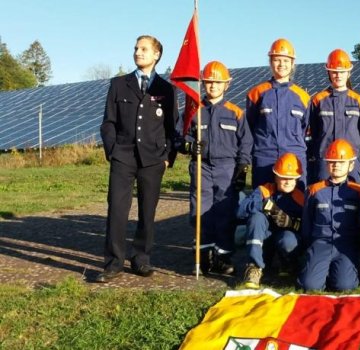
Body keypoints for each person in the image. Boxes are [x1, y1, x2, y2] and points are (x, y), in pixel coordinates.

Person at [97, 35, 179, 282]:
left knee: (147, 212)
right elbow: (108, 122)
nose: (138, 52)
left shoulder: (166, 89)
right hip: (123, 157)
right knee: (118, 210)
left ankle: (141, 259)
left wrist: (166, 158)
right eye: (136, 48)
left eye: (144, 49)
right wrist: (112, 150)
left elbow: (171, 127)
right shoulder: (119, 84)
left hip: (153, 160)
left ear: (156, 55)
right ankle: (113, 262)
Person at [181, 61, 252, 276]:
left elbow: (246, 143)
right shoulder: (195, 111)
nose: (213, 86)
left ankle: (222, 258)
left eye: (217, 82)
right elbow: (180, 137)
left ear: (226, 85)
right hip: (201, 166)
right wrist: (190, 145)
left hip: (227, 169)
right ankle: (202, 256)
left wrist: (242, 169)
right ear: (203, 83)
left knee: (224, 213)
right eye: (209, 82)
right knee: (200, 213)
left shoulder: (236, 113)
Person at [298, 139, 360, 291]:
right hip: (320, 243)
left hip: (346, 245)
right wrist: (309, 247)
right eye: (332, 162)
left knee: (345, 286)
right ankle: (318, 268)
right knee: (309, 286)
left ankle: (335, 271)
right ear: (327, 164)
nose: (336, 165)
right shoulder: (314, 190)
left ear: (351, 165)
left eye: (341, 162)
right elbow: (307, 223)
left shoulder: (358, 191)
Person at [246, 38, 310, 188]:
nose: (282, 65)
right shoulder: (256, 93)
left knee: (297, 202)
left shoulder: (303, 97)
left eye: (286, 61)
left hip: (294, 156)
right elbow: (250, 126)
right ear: (270, 62)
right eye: (277, 60)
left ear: (293, 63)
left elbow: (304, 127)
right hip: (264, 156)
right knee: (263, 201)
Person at [236, 153, 305, 289]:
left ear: (297, 179)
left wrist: (291, 223)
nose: (287, 181)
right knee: (256, 218)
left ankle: (287, 262)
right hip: (264, 240)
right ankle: (254, 268)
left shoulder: (301, 197)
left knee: (289, 241)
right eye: (283, 177)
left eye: (291, 178)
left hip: (284, 239)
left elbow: (307, 227)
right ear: (276, 176)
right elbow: (240, 212)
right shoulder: (264, 190)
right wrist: (264, 206)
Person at [308, 48, 360, 183]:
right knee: (323, 198)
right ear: (329, 72)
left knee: (352, 197)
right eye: (334, 72)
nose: (338, 75)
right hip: (325, 160)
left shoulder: (358, 101)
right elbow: (314, 131)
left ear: (348, 73)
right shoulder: (318, 100)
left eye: (342, 72)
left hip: (351, 160)